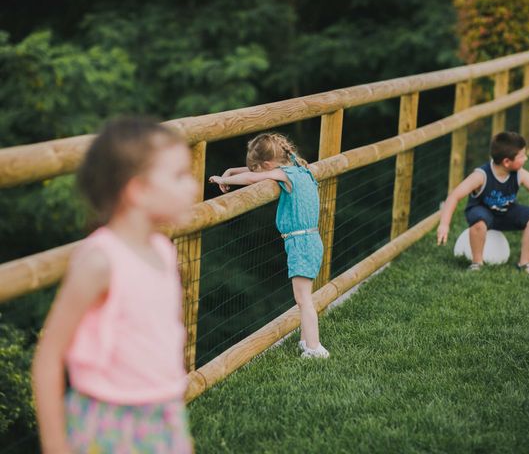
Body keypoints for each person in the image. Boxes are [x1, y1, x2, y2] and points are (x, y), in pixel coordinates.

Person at [32, 117, 198, 453]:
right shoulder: (100, 261)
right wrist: (55, 446)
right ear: (138, 190)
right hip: (109, 420)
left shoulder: (163, 252)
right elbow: (49, 357)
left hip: (163, 408)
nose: (192, 187)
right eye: (179, 176)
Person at [209, 132, 329, 358]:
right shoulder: (297, 168)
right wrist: (231, 171)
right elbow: (253, 173)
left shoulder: (285, 174)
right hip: (310, 241)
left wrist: (223, 180)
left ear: (266, 164)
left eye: (258, 168)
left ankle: (315, 349)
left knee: (303, 299)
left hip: (301, 244)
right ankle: (306, 341)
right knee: (305, 297)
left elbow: (253, 178)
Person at [437, 131, 529, 274]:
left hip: (506, 212)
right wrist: (444, 224)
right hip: (482, 213)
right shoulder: (480, 176)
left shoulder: (520, 174)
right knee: (479, 220)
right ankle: (477, 263)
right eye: (522, 156)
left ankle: (525, 263)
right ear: (507, 162)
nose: (526, 158)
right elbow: (454, 196)